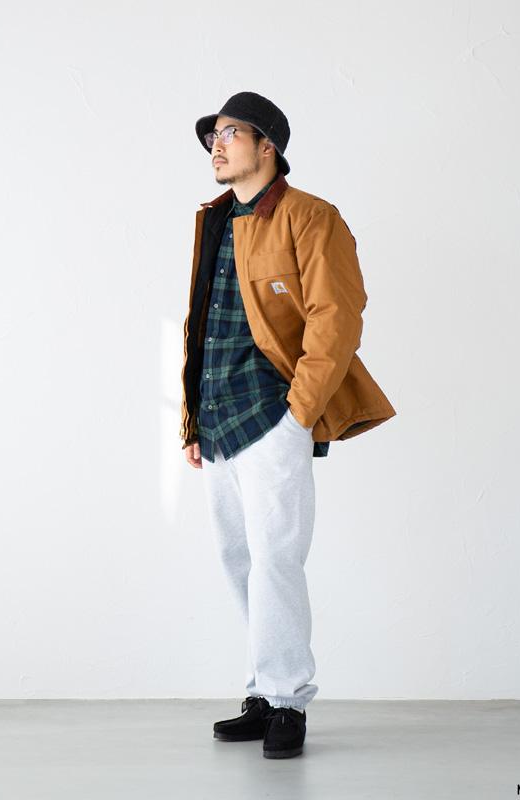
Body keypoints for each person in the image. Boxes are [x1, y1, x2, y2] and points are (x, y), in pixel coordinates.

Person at [179, 91, 396, 759]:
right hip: (218, 417)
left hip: (272, 415)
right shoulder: (216, 219)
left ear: (267, 145)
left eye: (229, 133)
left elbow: (338, 317)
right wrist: (192, 418)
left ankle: (288, 701)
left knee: (276, 560)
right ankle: (263, 691)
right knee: (238, 560)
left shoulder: (311, 216)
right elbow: (201, 321)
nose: (216, 146)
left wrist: (299, 411)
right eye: (212, 137)